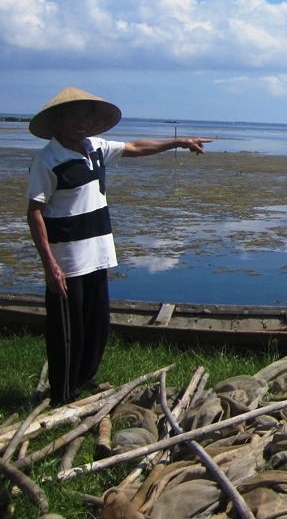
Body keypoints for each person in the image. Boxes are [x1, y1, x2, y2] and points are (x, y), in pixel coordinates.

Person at [26, 87, 212, 405]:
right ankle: (62, 395)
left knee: (96, 326)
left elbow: (137, 146)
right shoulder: (47, 160)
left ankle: (84, 381)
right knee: (67, 333)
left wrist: (179, 142)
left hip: (97, 256)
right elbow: (35, 212)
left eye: (87, 115)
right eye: (74, 115)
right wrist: (50, 266)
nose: (82, 121)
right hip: (67, 261)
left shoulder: (96, 148)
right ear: (58, 121)